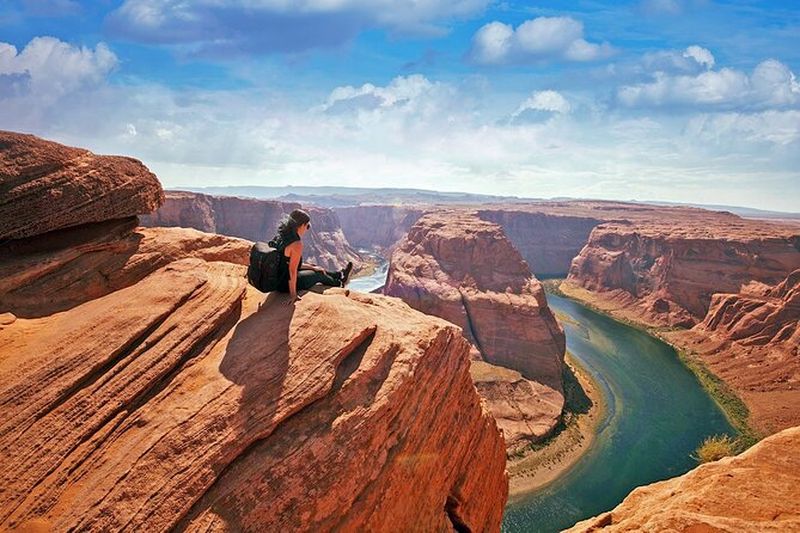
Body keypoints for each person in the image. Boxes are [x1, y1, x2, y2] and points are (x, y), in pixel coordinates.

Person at [270, 209, 353, 305]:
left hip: (277, 279)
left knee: (315, 268)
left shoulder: (282, 235)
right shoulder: (296, 244)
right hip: (283, 284)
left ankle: (340, 274)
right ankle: (339, 283)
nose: (307, 228)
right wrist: (293, 295)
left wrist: (313, 267)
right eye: (307, 225)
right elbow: (292, 271)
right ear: (301, 225)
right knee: (318, 275)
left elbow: (288, 263)